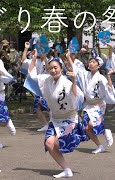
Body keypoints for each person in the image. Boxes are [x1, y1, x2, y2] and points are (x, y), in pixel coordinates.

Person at [26, 49, 87, 178]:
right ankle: (66, 169)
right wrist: (34, 58)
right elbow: (31, 75)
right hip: (55, 119)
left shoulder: (67, 82)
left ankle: (77, 136)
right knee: (49, 144)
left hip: (69, 119)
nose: (53, 70)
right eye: (51, 68)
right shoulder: (46, 80)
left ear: (61, 68)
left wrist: (74, 80)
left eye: (56, 68)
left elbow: (78, 96)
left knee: (58, 143)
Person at [67, 49, 115, 154]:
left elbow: (109, 89)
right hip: (88, 104)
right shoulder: (85, 74)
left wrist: (108, 76)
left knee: (92, 124)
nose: (90, 63)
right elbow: (75, 69)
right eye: (90, 62)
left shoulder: (101, 78)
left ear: (98, 66)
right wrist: (68, 57)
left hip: (98, 105)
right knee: (86, 128)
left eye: (93, 62)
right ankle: (100, 145)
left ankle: (104, 130)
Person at [22, 41, 50, 132]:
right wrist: (26, 48)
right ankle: (46, 124)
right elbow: (24, 61)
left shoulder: (51, 61)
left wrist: (45, 58)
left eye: (43, 51)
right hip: (38, 87)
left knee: (49, 107)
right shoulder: (36, 61)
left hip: (47, 87)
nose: (41, 53)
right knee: (37, 108)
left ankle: (54, 122)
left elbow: (49, 70)